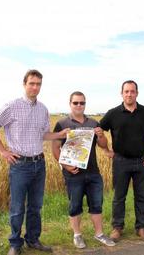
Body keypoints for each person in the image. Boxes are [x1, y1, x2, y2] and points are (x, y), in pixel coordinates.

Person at [0, 69, 69, 255]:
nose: (35, 87)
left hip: (39, 164)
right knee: (17, 207)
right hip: (20, 165)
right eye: (32, 83)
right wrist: (3, 151)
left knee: (35, 206)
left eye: (38, 84)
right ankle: (15, 244)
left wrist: (60, 135)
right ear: (24, 84)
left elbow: (44, 135)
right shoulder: (11, 106)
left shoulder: (43, 109)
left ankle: (33, 240)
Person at [52, 91, 116, 249]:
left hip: (93, 172)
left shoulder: (94, 123)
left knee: (96, 204)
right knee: (75, 205)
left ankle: (99, 234)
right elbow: (55, 147)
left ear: (85, 104)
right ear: (70, 103)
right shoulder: (61, 124)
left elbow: (102, 145)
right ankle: (77, 235)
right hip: (73, 174)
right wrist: (66, 166)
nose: (79, 105)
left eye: (82, 103)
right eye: (76, 103)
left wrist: (101, 136)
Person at [100, 80, 144, 243]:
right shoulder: (113, 113)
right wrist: (106, 150)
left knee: (142, 196)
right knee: (119, 196)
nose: (129, 94)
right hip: (120, 161)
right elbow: (99, 132)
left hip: (142, 162)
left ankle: (141, 228)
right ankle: (117, 228)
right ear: (121, 93)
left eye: (132, 91)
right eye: (126, 91)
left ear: (137, 93)